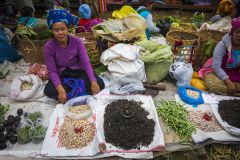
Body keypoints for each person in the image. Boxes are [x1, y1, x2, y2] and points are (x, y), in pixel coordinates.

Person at [44, 9, 105, 103]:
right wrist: (60, 90)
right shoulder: (49, 47)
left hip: (78, 72)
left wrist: (93, 81)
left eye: (63, 29)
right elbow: (52, 71)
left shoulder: (77, 42)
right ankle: (78, 92)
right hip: (62, 75)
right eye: (56, 30)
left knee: (99, 83)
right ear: (52, 30)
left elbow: (85, 62)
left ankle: (72, 94)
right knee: (48, 90)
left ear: (67, 28)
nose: (60, 33)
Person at [203, 17, 240, 96]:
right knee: (213, 86)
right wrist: (229, 82)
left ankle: (234, 90)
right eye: (237, 32)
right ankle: (235, 90)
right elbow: (216, 67)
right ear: (232, 32)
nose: (239, 36)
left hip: (237, 74)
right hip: (219, 73)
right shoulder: (223, 44)